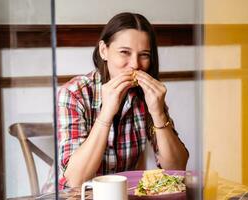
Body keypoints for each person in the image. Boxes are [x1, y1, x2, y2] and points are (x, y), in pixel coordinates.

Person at [42, 12, 189, 191]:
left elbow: (177, 169)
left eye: (144, 55)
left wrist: (157, 112)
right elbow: (75, 181)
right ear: (104, 51)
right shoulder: (74, 93)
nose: (135, 64)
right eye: (124, 52)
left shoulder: (148, 96)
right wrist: (106, 113)